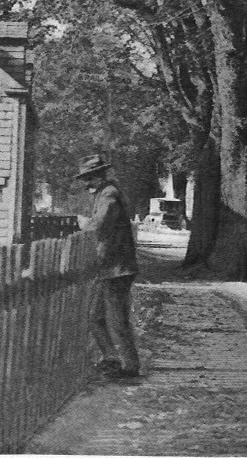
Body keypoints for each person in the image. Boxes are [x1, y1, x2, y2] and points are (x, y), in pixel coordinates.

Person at [75, 154, 140, 380]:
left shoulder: (109, 194)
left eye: (89, 178)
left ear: (99, 176)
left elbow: (98, 224)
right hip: (109, 267)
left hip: (117, 268)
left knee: (116, 319)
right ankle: (112, 358)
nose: (86, 184)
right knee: (95, 317)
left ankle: (130, 366)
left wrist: (84, 225)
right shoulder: (104, 193)